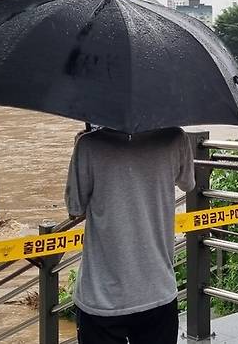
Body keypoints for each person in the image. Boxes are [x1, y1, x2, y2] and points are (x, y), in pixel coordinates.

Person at [65, 126, 195, 344]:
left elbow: (74, 208)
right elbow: (187, 183)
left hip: (102, 297)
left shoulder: (89, 145)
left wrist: (81, 152)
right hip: (157, 291)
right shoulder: (175, 137)